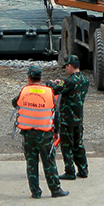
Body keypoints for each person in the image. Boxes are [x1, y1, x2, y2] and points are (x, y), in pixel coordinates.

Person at [14, 65, 68, 199]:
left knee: (31, 163)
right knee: (49, 162)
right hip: (45, 134)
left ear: (28, 78)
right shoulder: (49, 92)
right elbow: (56, 114)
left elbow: (15, 103)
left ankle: (35, 192)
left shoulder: (24, 91)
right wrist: (56, 131)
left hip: (28, 133)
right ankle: (55, 190)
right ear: (41, 78)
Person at [48, 54, 89, 181]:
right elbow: (67, 87)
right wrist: (61, 82)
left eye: (66, 66)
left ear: (70, 66)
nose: (66, 69)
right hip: (78, 118)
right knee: (79, 145)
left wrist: (50, 82)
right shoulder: (85, 80)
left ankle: (70, 171)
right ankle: (83, 170)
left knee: (67, 146)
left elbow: (53, 89)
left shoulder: (69, 81)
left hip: (67, 120)